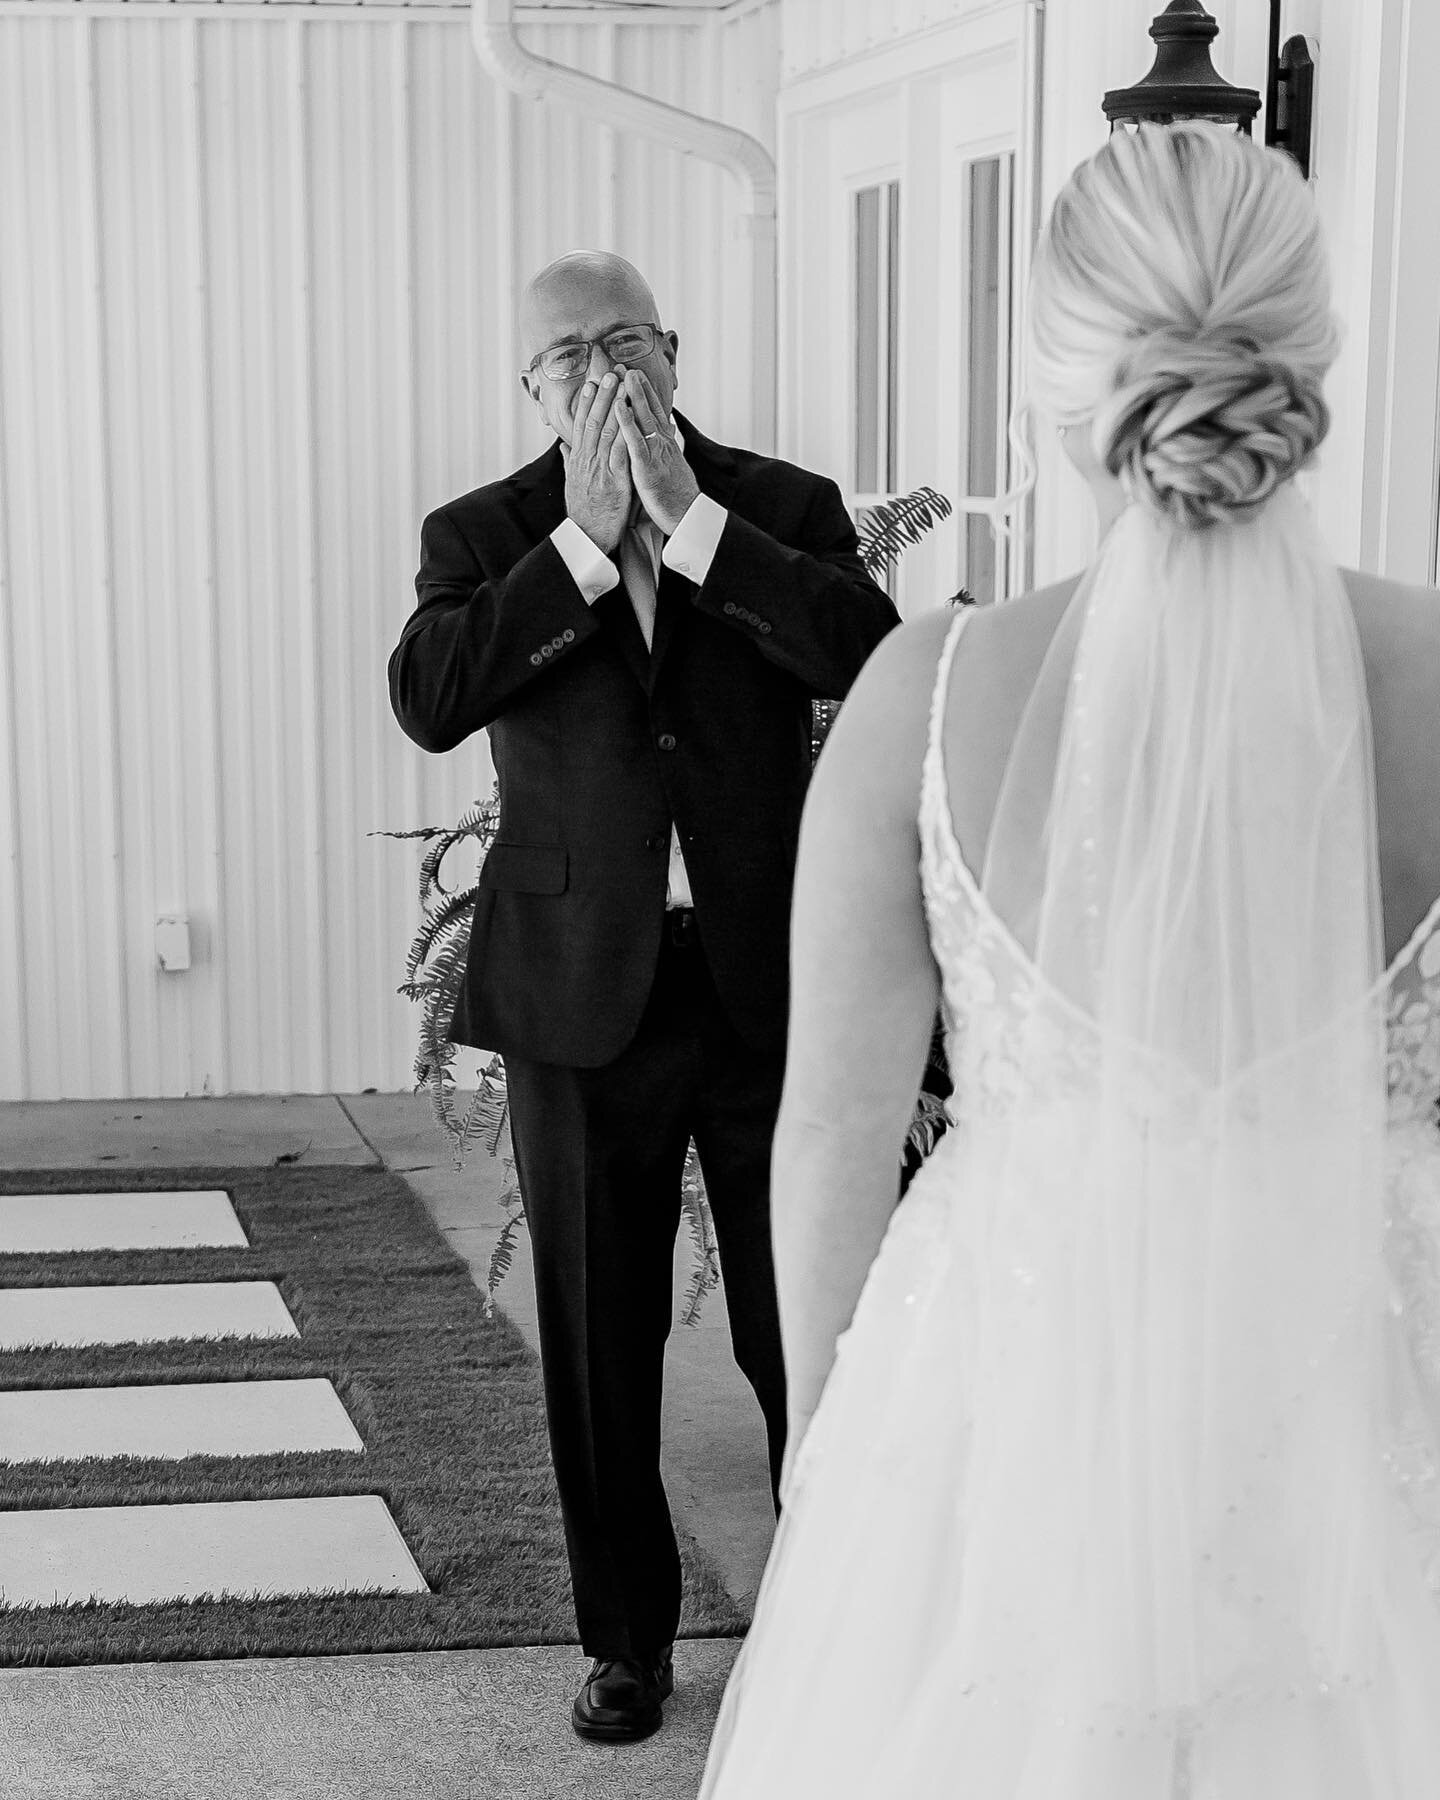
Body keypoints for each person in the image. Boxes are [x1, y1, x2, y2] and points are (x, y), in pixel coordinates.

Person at [699, 124, 1440, 1797]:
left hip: (1009, 1408)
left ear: (1060, 381)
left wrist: (833, 1441)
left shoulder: (928, 694)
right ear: (1308, 355)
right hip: (1373, 1389)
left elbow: (827, 1128)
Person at [388, 250, 899, 1743]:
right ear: (529, 386)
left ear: (674, 351)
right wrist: (587, 542)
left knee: (802, 1324)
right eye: (569, 354)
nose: (603, 371)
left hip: (766, 989)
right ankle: (625, 1645)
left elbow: (862, 653)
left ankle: (831, 1610)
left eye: (625, 340)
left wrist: (690, 525)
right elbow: (430, 696)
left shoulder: (783, 508)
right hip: (578, 995)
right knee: (602, 1344)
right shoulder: (481, 534)